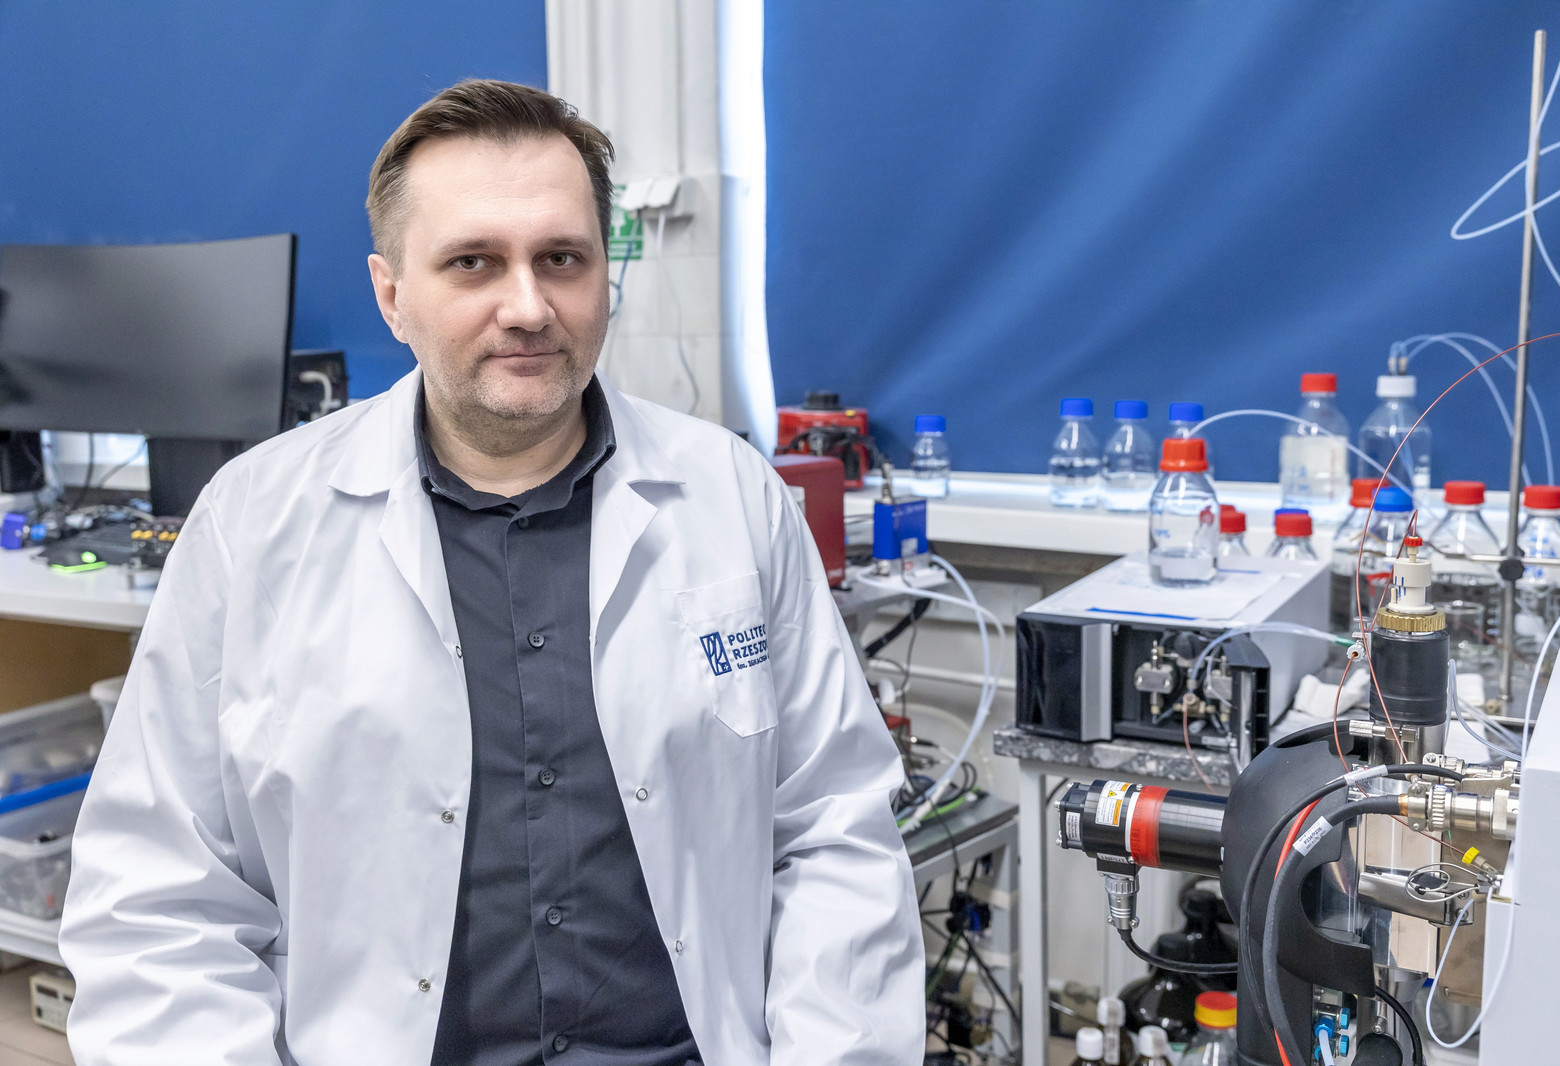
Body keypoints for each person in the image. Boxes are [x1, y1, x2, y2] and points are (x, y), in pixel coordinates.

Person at [59, 79, 923, 1065]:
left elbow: (833, 831)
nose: (528, 306)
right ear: (392, 295)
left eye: (562, 258)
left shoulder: (730, 495)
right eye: (473, 262)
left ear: (606, 277)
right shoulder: (253, 522)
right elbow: (158, 898)